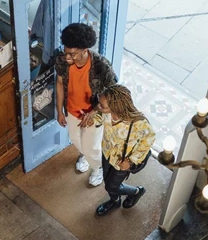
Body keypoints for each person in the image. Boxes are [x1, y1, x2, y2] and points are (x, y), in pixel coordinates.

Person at [55, 23, 117, 187]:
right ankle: (86, 156)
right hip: (72, 110)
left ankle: (98, 169)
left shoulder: (101, 65)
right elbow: (60, 83)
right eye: (66, 52)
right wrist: (59, 111)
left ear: (85, 50)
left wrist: (93, 112)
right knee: (75, 138)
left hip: (95, 112)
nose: (68, 57)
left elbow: (113, 93)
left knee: (92, 148)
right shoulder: (63, 61)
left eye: (73, 54)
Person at [95, 85, 155, 216]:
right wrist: (92, 119)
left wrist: (131, 161)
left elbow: (149, 139)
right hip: (107, 153)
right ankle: (115, 201)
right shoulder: (107, 113)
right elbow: (99, 116)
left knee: (111, 186)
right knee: (107, 181)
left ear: (116, 107)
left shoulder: (138, 123)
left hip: (122, 162)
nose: (99, 107)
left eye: (102, 106)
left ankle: (137, 191)